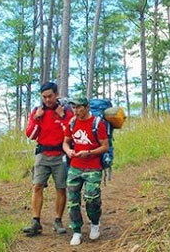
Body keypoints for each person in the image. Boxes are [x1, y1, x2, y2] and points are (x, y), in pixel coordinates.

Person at [23, 82, 74, 236]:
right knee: (37, 186)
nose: (47, 100)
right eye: (44, 97)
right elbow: (31, 135)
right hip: (42, 155)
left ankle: (58, 220)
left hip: (60, 156)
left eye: (50, 96)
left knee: (60, 188)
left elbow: (72, 132)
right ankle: (36, 221)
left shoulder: (66, 112)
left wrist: (63, 116)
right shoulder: (37, 112)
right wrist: (37, 118)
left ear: (56, 95)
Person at [62, 96, 109, 246]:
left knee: (91, 197)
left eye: (78, 107)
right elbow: (65, 142)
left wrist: (88, 152)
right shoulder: (72, 122)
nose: (75, 111)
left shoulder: (97, 123)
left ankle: (95, 223)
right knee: (72, 201)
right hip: (75, 166)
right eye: (73, 108)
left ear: (87, 107)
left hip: (93, 167)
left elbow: (104, 146)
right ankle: (76, 230)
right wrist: (68, 150)